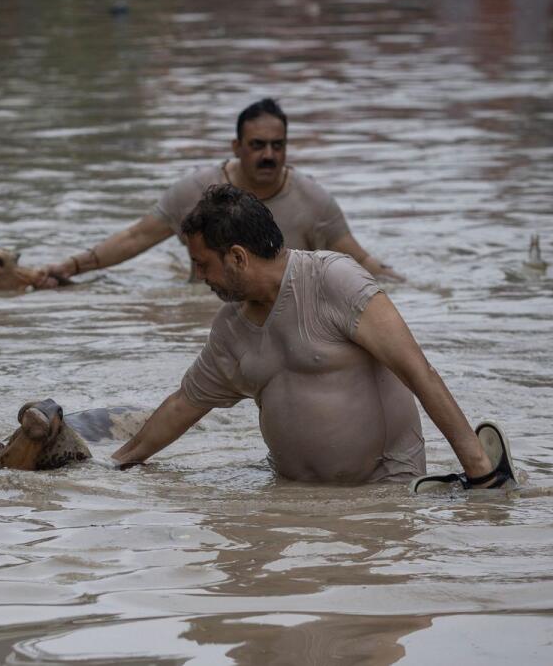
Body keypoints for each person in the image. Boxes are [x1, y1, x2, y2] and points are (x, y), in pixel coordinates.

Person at [110, 184, 509, 487]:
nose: (198, 277)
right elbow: (184, 404)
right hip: (290, 495)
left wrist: (479, 471)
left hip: (384, 493)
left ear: (237, 257)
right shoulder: (229, 329)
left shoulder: (335, 280)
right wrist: (113, 466)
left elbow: (419, 372)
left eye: (202, 264)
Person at [41, 98, 404, 285]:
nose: (269, 155)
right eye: (258, 144)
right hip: (206, 302)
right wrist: (71, 267)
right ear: (236, 146)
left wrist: (419, 291)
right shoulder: (195, 191)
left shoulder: (314, 201)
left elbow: (361, 261)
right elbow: (136, 237)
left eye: (278, 146)